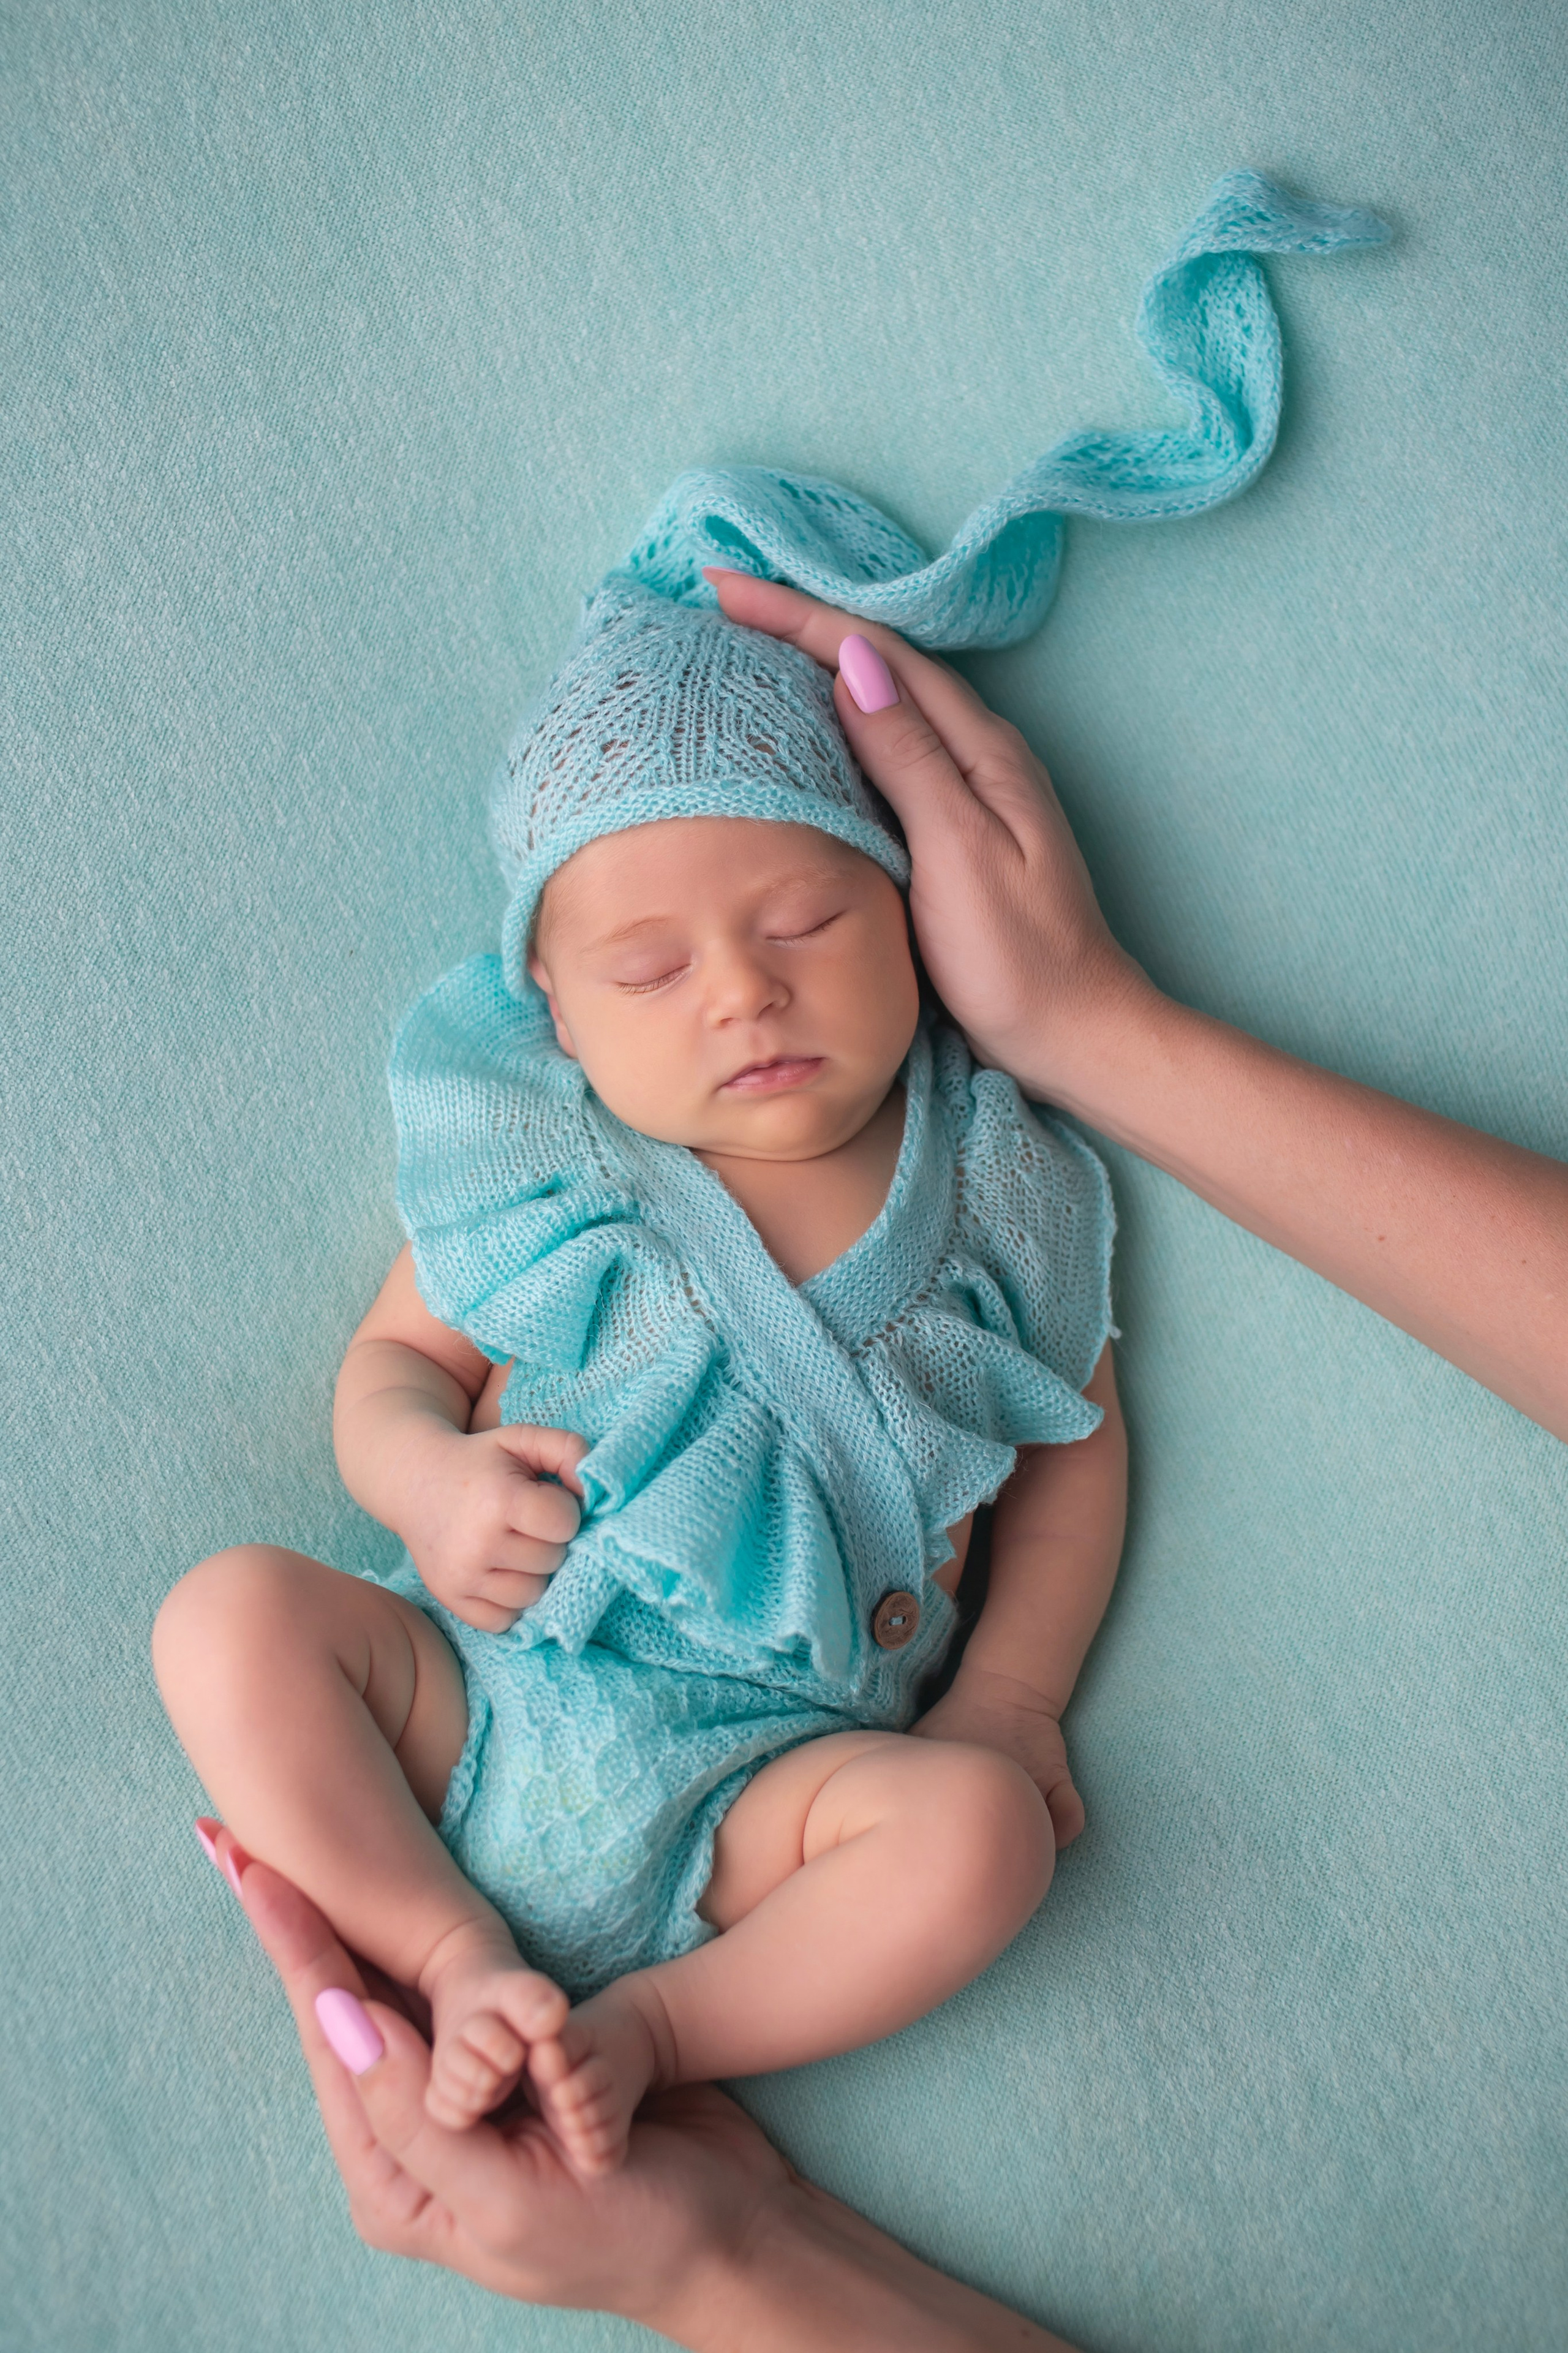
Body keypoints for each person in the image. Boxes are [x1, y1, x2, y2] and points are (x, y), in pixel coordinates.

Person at [208, 570, 1564, 2351]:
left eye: (808, 923)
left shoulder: (994, 1181)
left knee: (985, 1836)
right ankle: (459, 1958)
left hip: (764, 1800)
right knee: (230, 1618)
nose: (739, 997)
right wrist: (421, 1484)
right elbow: (394, 1368)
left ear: (911, 914)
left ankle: (660, 2031)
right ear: (549, 998)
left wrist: (1005, 1697)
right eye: (647, 964)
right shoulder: (547, 1163)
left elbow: (1075, 1453)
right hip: (485, 1684)